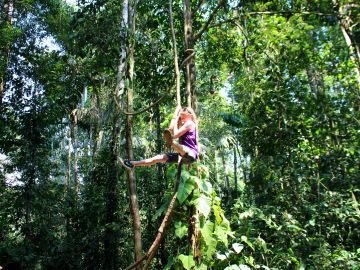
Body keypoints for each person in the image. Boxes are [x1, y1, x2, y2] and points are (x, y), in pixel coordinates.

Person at [120, 106, 198, 170]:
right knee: (157, 158)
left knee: (177, 144)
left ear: (190, 115)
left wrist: (177, 118)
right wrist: (175, 116)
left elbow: (175, 135)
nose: (182, 117)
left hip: (190, 154)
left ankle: (172, 143)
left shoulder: (190, 123)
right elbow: (170, 129)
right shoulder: (184, 124)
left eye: (183, 115)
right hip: (183, 156)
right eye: (181, 116)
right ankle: (132, 164)